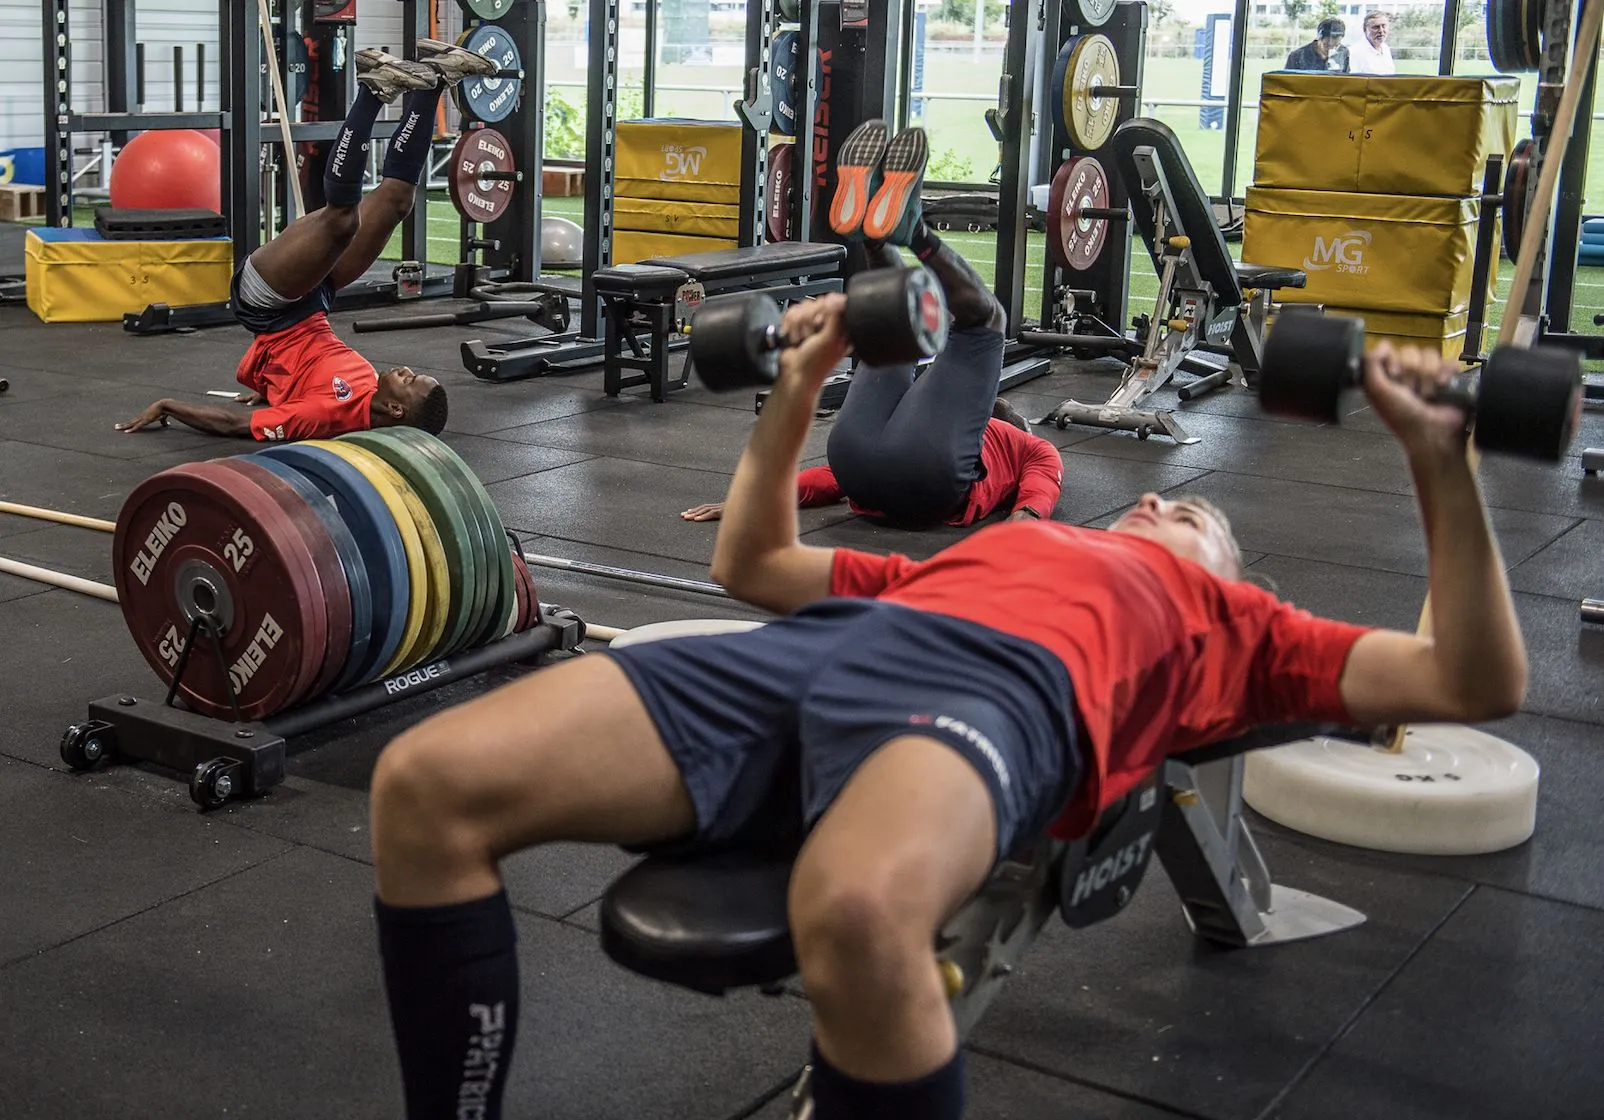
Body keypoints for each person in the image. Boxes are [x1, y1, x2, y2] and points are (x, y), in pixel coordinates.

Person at [364, 143, 1528, 1120]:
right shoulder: (994, 546)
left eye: (1194, 517)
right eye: (1160, 500)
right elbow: (751, 566)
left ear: (1223, 571)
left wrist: (1441, 463)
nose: (1161, 501)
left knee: (858, 912)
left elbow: (1467, 679)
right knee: (426, 783)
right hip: (811, 656)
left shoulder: (1233, 628)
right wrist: (795, 385)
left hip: (998, 698)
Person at [681, 121, 1064, 529]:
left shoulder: (1020, 442)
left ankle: (897, 235)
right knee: (891, 330)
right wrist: (1025, 518)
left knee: (981, 324)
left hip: (876, 466)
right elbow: (1042, 487)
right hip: (878, 470)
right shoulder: (963, 428)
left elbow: (827, 482)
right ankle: (882, 232)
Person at [114, 42, 487, 441]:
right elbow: (306, 372)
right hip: (316, 300)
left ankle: (372, 90)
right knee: (397, 201)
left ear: (396, 409)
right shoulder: (370, 389)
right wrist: (276, 387)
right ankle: (433, 82)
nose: (405, 371)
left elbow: (233, 424)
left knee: (342, 221)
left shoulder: (323, 416)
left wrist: (168, 405)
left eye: (409, 381)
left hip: (267, 306)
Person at [1346, 10, 1396, 75]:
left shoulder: (1385, 48)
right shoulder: (1354, 52)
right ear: (1365, 29)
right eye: (1376, 27)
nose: (1381, 31)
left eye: (1384, 26)